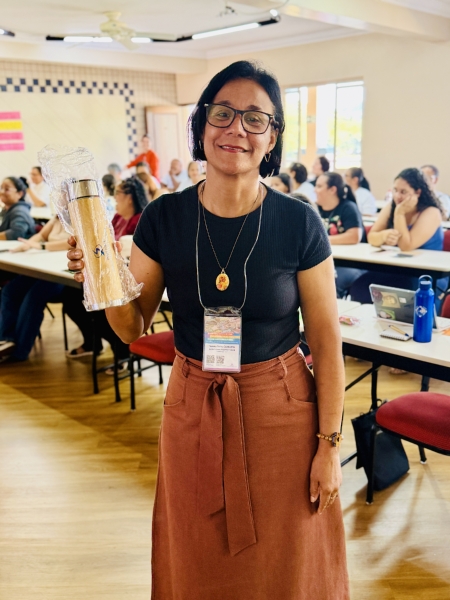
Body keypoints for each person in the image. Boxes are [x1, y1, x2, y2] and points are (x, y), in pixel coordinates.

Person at [68, 60, 349, 599]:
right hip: (194, 404)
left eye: (254, 118)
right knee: (196, 550)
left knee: (287, 556)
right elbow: (130, 327)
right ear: (201, 125)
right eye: (222, 113)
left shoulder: (298, 222)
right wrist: (101, 276)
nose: (236, 129)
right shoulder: (164, 218)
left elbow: (326, 342)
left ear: (272, 138)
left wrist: (329, 447)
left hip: (281, 411)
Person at [63, 177, 148, 367]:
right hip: (103, 274)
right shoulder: (117, 218)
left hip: (125, 280)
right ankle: (92, 341)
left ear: (129, 198)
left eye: (118, 193)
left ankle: (121, 350)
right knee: (71, 297)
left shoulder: (140, 221)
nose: (114, 197)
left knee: (101, 309)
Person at [364, 168, 447, 309]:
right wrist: (384, 236)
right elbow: (371, 237)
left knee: (399, 291)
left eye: (403, 192)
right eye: (395, 190)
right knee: (362, 286)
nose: (397, 196)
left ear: (418, 192)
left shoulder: (431, 212)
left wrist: (400, 214)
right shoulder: (391, 206)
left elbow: (406, 245)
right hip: (397, 269)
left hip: (426, 275)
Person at [0, 216, 70, 363]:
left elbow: (73, 242)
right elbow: (42, 235)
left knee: (33, 297)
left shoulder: (80, 214)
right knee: (9, 291)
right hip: (45, 267)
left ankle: (20, 351)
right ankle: (7, 341)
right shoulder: (58, 216)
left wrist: (43, 246)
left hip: (63, 273)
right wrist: (28, 244)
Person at [316, 172, 367, 298]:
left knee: (330, 283)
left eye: (319, 186)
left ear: (332, 190)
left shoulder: (348, 207)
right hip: (324, 260)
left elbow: (354, 236)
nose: (315, 190)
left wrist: (322, 240)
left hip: (350, 263)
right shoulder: (316, 209)